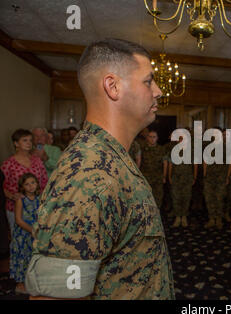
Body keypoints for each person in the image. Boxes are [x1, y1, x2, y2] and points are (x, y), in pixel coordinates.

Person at [25, 38, 174, 300]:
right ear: (113, 86)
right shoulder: (89, 170)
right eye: (149, 81)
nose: (159, 91)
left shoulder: (110, 157)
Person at [1, 129, 48, 236]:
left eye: (30, 140)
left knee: (37, 239)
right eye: (25, 140)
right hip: (16, 208)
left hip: (36, 207)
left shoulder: (37, 161)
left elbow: (45, 182)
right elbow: (2, 186)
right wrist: (12, 196)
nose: (29, 143)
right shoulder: (8, 163)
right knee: (18, 239)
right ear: (16, 143)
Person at [10, 173, 40, 294]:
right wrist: (31, 230)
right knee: (22, 257)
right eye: (27, 184)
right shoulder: (21, 200)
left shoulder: (40, 197)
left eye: (33, 182)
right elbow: (18, 220)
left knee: (33, 256)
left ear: (37, 183)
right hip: (23, 234)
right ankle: (20, 284)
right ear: (22, 187)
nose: (31, 186)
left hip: (36, 232)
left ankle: (32, 281)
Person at [203, 127, 231, 229]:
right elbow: (205, 161)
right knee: (209, 199)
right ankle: (212, 219)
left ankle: (219, 219)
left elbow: (230, 163)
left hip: (221, 178)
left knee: (219, 199)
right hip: (209, 178)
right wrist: (205, 174)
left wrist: (227, 176)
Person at [168, 134, 198, 228]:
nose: (181, 141)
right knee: (176, 197)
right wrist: (169, 176)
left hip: (187, 178)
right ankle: (177, 217)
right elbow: (170, 164)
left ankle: (184, 217)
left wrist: (194, 177)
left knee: (186, 197)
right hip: (176, 178)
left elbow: (195, 165)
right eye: (179, 139)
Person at [140, 129, 166, 209]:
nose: (152, 139)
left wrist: (164, 176)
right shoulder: (142, 149)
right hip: (146, 177)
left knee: (158, 198)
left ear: (157, 138)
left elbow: (165, 163)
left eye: (154, 137)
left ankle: (156, 217)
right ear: (147, 138)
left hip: (158, 177)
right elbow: (139, 162)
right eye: (150, 137)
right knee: (145, 198)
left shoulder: (161, 149)